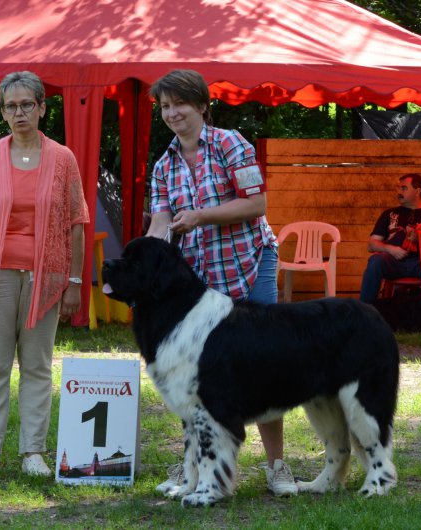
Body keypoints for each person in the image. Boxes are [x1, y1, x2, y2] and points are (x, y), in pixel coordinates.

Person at [145, 69, 298, 497]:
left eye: (180, 104)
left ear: (201, 105)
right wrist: (151, 253)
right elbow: (160, 220)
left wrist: (201, 216)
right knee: (191, 373)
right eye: (165, 106)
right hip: (201, 278)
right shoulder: (163, 164)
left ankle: (277, 465)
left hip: (251, 263)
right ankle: (194, 465)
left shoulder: (232, 143)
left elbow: (257, 203)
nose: (173, 113)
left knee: (262, 363)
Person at [0, 71, 89, 478]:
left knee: (37, 366)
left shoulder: (63, 158)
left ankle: (34, 451)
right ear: (2, 113)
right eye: (11, 106)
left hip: (45, 278)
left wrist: (75, 282)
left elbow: (76, 223)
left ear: (43, 107)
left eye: (27, 104)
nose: (19, 112)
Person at [359, 173, 421, 303]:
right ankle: (365, 310)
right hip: (394, 263)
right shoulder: (389, 214)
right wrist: (390, 249)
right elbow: (371, 244)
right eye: (399, 188)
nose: (399, 191)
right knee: (376, 260)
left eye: (404, 188)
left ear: (417, 191)